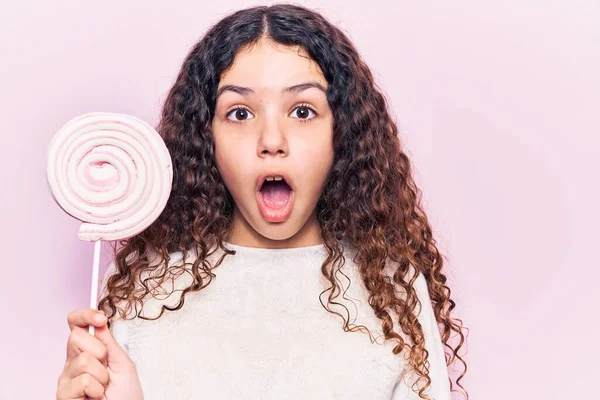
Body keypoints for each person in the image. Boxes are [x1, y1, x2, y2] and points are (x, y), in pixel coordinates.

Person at [56, 4, 468, 400]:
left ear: (340, 134)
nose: (272, 141)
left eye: (303, 111)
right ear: (206, 137)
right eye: (240, 113)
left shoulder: (391, 285)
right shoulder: (145, 285)